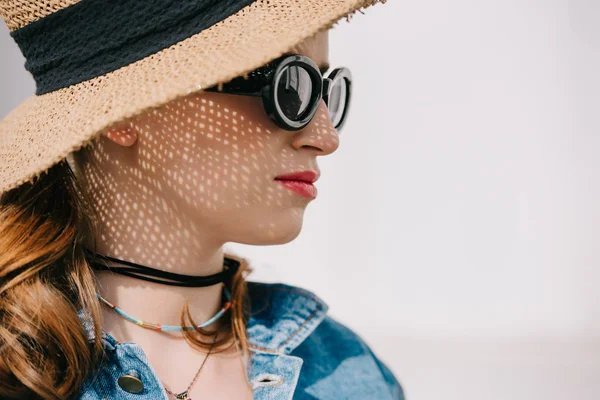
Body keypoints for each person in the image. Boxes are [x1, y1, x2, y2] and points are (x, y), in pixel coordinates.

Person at [0, 1, 404, 399]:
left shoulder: (349, 372)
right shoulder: (13, 369)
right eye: (290, 86)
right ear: (123, 113)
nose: (326, 137)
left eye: (330, 92)